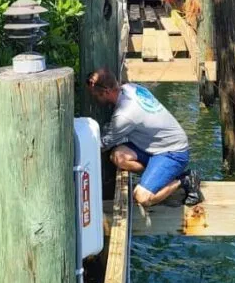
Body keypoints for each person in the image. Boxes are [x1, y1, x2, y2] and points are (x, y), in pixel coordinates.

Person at [86, 68, 203, 207]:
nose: (94, 99)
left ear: (106, 92)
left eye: (95, 96)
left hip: (173, 153)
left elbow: (102, 145)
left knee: (142, 198)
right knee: (117, 156)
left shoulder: (124, 116)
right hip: (155, 146)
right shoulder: (131, 87)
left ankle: (184, 179)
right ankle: (156, 175)